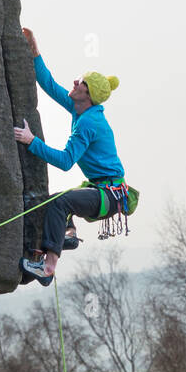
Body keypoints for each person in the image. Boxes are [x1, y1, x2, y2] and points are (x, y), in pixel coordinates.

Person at [13, 27, 130, 285]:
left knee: (60, 204)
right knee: (54, 202)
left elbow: (66, 161)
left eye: (82, 83)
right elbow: (49, 85)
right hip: (103, 189)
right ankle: (68, 234)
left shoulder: (88, 123)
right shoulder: (80, 109)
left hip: (109, 194)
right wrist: (34, 50)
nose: (75, 82)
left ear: (88, 97)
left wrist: (31, 141)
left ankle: (48, 268)